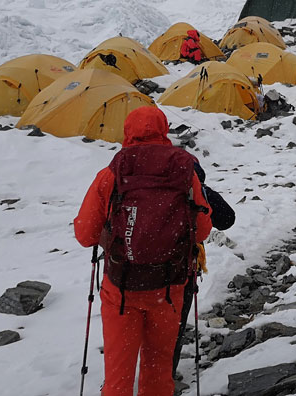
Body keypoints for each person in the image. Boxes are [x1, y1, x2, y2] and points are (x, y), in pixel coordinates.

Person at [74, 107, 213, 396]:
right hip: (169, 288)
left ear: (128, 131)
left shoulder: (114, 171)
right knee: (159, 370)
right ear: (164, 130)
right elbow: (201, 230)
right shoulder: (185, 169)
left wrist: (115, 238)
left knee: (118, 376)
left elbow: (85, 233)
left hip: (122, 289)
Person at [173, 160, 234, 377]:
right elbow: (226, 219)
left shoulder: (121, 173)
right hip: (177, 270)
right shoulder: (192, 182)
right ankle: (162, 377)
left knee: (129, 332)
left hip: (124, 274)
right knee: (171, 326)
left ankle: (121, 381)